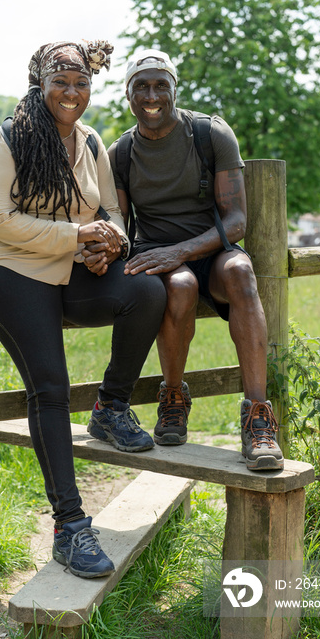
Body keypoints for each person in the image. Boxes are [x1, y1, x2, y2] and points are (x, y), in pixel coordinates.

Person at [0, 41, 166, 579]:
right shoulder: (12, 136)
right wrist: (78, 233)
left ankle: (110, 408)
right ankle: (70, 527)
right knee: (51, 388)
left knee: (147, 292)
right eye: (61, 81)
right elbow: (0, 219)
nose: (71, 93)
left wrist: (112, 244)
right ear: (39, 81)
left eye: (80, 83)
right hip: (10, 268)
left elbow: (111, 210)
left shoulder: (90, 141)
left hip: (69, 265)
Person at [106, 49, 284, 472]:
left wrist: (183, 250)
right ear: (128, 95)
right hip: (161, 256)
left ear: (174, 89)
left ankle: (258, 419)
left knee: (241, 272)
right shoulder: (121, 153)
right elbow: (120, 224)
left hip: (213, 248)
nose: (152, 95)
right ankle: (172, 397)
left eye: (160, 85)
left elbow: (237, 220)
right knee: (181, 286)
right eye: (141, 87)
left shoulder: (210, 134)